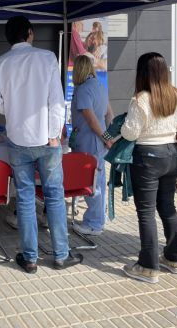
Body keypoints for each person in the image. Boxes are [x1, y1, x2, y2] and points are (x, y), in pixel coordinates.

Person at [0, 15, 83, 273]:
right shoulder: (47, 57)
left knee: (26, 198)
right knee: (54, 195)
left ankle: (30, 258)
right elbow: (57, 99)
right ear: (30, 33)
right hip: (47, 138)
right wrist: (54, 132)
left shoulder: (0, 63)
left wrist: (14, 107)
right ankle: (61, 254)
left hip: (18, 139)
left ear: (8, 37)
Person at [120, 52, 177, 284]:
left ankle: (149, 267)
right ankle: (174, 259)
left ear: (143, 73)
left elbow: (130, 132)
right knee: (168, 207)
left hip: (147, 157)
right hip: (172, 154)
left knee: (146, 212)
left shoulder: (140, 100)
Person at [70, 55, 114, 236]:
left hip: (89, 144)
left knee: (91, 184)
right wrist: (108, 136)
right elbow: (109, 114)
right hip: (99, 145)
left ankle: (94, 224)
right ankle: (98, 219)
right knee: (99, 183)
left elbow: (90, 118)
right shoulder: (99, 86)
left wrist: (105, 136)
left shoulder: (83, 90)